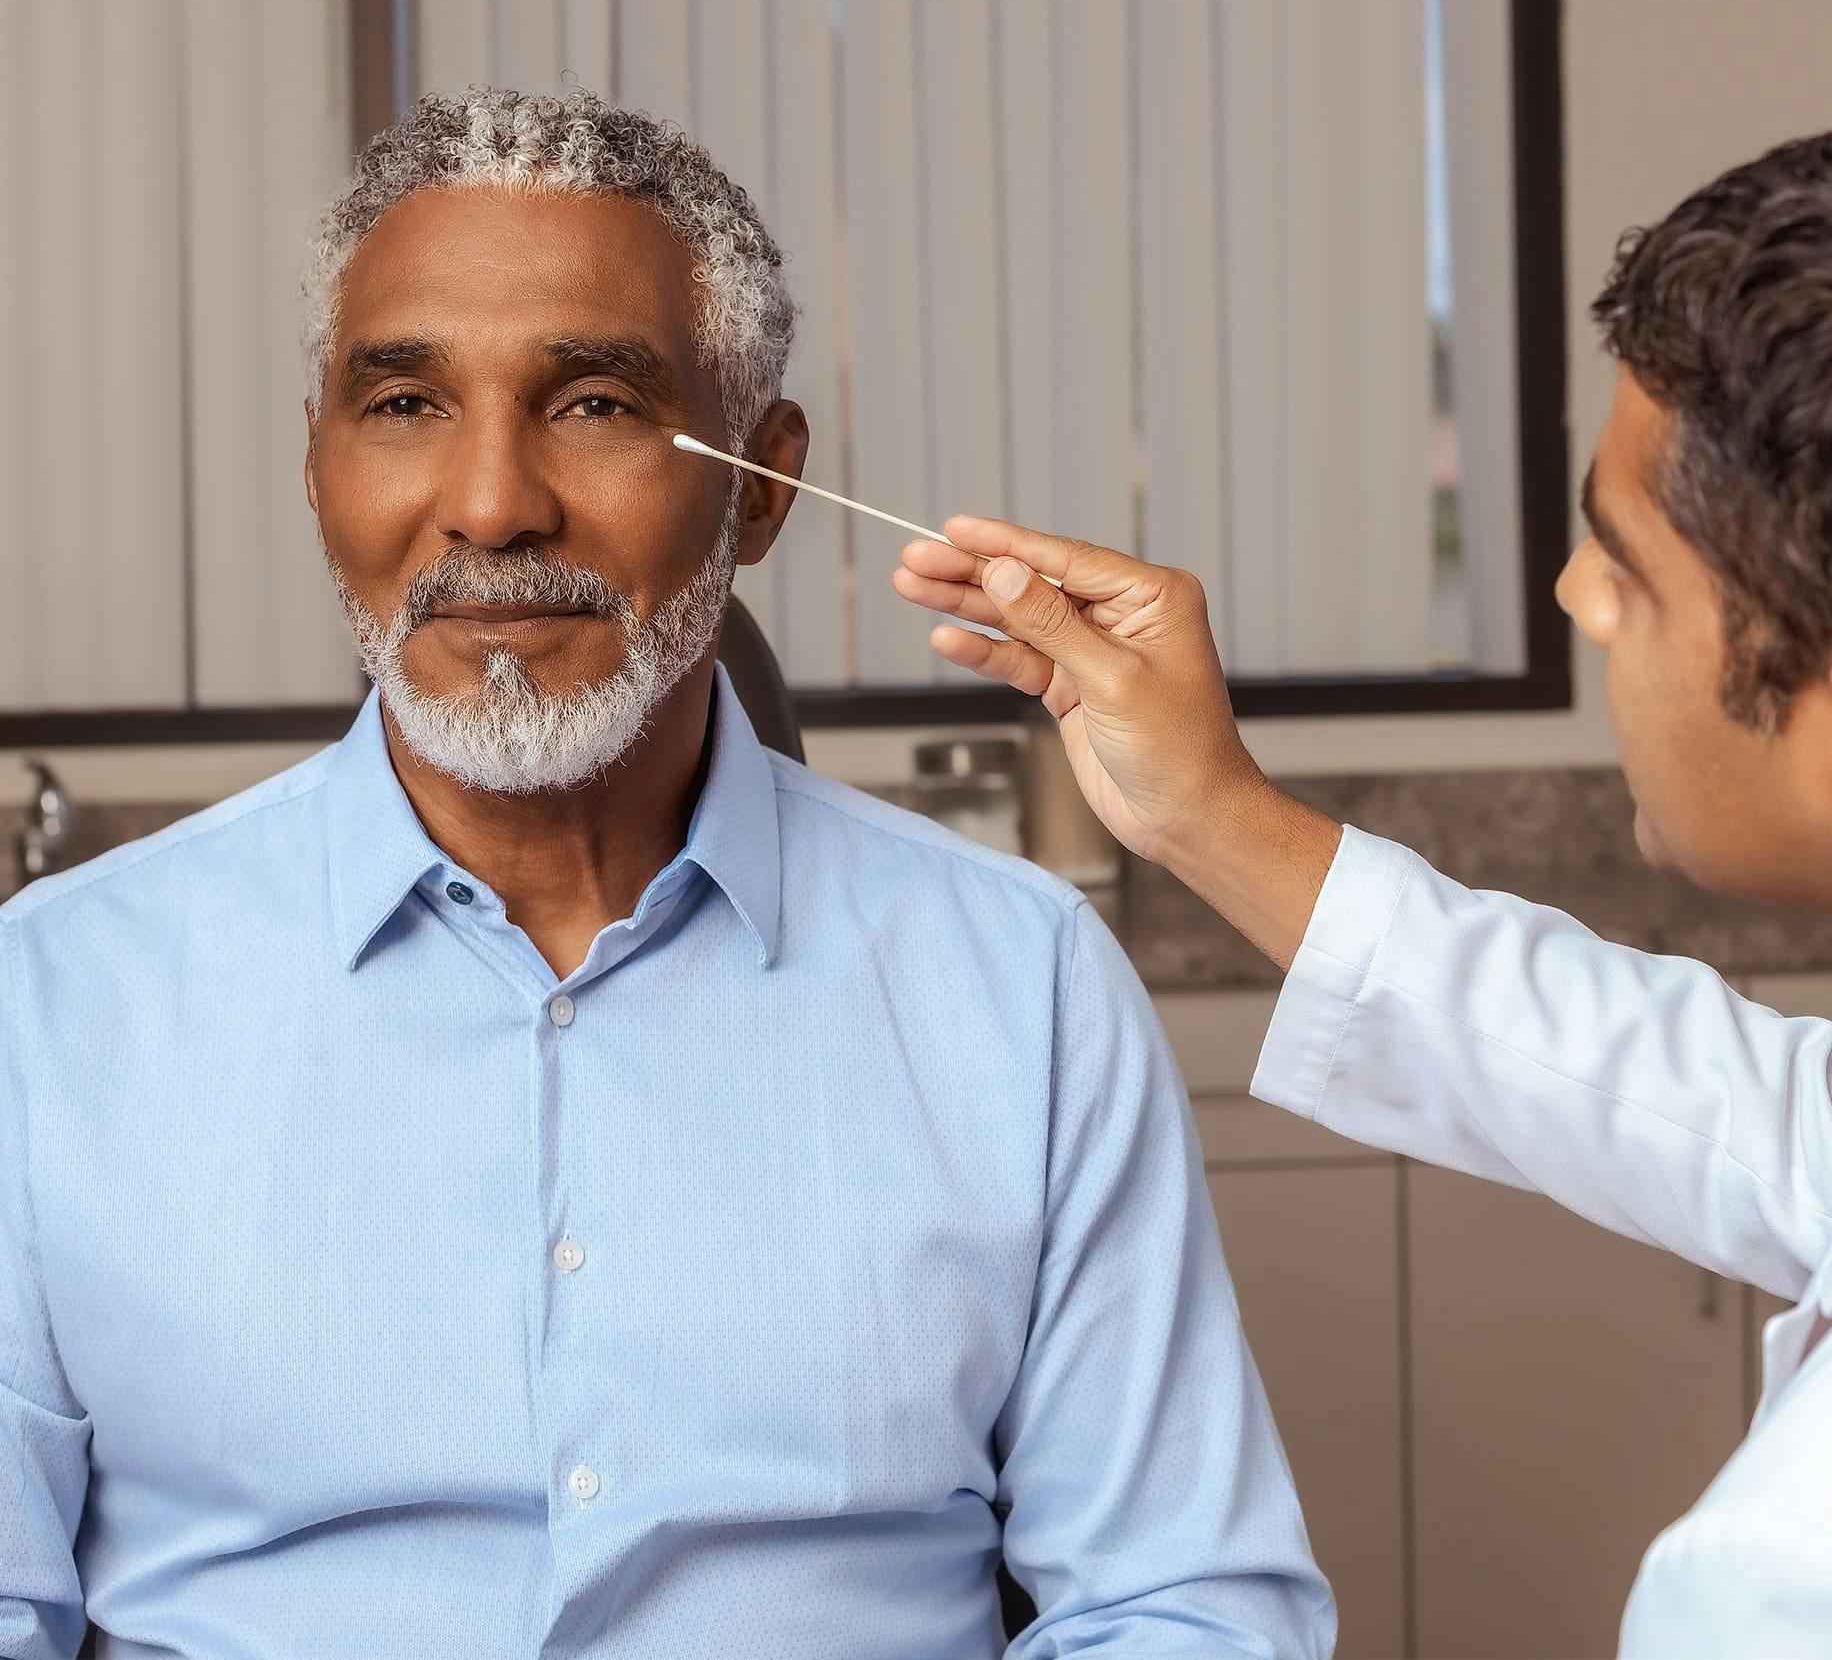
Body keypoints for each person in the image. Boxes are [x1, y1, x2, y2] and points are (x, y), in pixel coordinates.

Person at [0, 89, 1332, 1659]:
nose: (491, 505)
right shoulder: (55, 999)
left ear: (762, 486)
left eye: (594, 405)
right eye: (406, 404)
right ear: (317, 471)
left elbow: (1182, 1604)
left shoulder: (1020, 985)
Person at [894, 131, 1832, 1656]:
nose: (1574, 597)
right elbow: (1724, 1103)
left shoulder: (1785, 1579)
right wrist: (1212, 813)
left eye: (1627, 559)